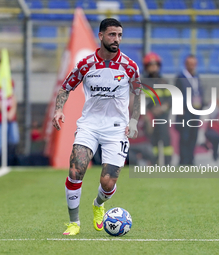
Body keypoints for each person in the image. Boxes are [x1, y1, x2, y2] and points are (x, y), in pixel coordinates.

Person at [52, 18, 141, 236]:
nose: (116, 39)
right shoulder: (85, 64)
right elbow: (65, 88)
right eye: (112, 35)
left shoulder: (129, 66)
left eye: (119, 35)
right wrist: (59, 109)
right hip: (89, 125)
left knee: (108, 182)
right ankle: (74, 223)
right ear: (101, 36)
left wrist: (134, 120)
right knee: (76, 169)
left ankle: (98, 204)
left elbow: (138, 93)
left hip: (116, 128)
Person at [142, 52, 172, 165]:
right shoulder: (143, 83)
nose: (154, 68)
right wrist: (150, 111)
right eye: (151, 65)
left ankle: (168, 165)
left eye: (156, 65)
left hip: (163, 117)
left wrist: (163, 107)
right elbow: (140, 100)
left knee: (166, 142)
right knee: (152, 142)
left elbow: (170, 99)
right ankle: (153, 164)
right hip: (150, 119)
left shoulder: (164, 82)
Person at [175, 54, 203, 165]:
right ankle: (183, 161)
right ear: (186, 65)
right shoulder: (180, 77)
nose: (192, 66)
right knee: (185, 137)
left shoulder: (196, 77)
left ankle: (191, 160)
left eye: (194, 64)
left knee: (193, 136)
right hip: (185, 113)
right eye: (190, 64)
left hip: (195, 112)